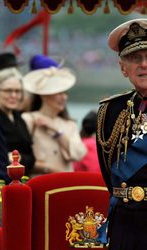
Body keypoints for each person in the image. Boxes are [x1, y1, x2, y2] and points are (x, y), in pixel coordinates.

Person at [96, 19, 147, 249]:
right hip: (125, 225)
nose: (143, 64)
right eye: (135, 58)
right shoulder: (110, 112)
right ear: (123, 68)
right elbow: (110, 177)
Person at [22, 66, 87, 176]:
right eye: (58, 93)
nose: (64, 97)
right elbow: (18, 156)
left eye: (65, 93)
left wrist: (55, 129)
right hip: (37, 185)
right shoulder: (28, 119)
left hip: (64, 187)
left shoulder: (69, 124)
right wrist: (48, 168)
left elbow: (79, 154)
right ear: (43, 95)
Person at [0, 67, 35, 175]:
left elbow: (31, 157)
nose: (13, 95)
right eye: (8, 91)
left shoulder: (19, 119)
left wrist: (20, 158)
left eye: (18, 91)